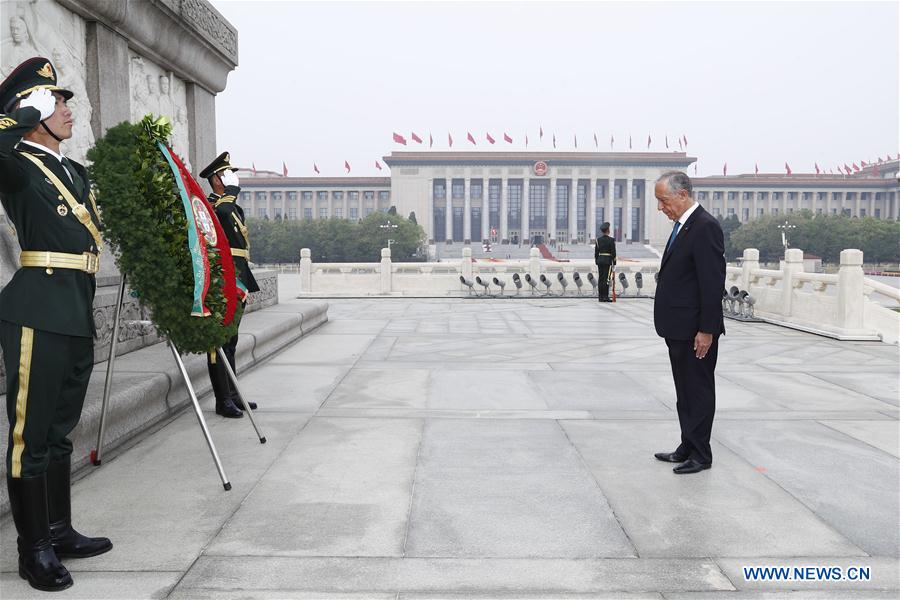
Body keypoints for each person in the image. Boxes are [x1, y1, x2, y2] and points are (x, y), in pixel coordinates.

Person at [0, 57, 112, 592]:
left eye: (64, 101)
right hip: (37, 310)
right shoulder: (19, 163)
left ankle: (60, 530)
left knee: (61, 432)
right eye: (56, 102)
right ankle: (33, 549)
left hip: (75, 308)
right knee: (30, 436)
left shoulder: (74, 170)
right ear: (35, 111)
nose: (67, 110)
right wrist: (16, 115)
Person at [652, 171, 725, 475]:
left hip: (696, 330)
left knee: (698, 390)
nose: (660, 207)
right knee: (684, 389)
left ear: (682, 195)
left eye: (663, 200)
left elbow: (712, 282)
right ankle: (688, 444)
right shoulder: (683, 226)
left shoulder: (705, 227)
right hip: (678, 327)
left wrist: (706, 330)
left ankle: (701, 454)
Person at [199, 152, 260, 418]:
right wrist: (231, 190)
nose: (232, 179)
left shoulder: (234, 207)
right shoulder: (211, 205)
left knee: (231, 341)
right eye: (226, 174)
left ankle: (233, 393)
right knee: (218, 342)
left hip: (237, 275)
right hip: (222, 278)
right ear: (216, 179)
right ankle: (222, 399)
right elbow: (221, 214)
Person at [594, 222, 616, 302]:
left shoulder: (598, 240)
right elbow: (613, 253)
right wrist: (614, 262)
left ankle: (600, 297)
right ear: (607, 230)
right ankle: (605, 296)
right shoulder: (611, 240)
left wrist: (597, 260)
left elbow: (596, 253)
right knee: (607, 279)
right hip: (607, 261)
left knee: (601, 279)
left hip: (600, 261)